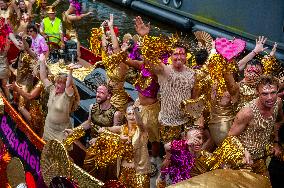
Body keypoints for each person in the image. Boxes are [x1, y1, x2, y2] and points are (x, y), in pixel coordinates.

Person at [134, 16, 198, 144]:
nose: (179, 56)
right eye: (175, 54)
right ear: (171, 56)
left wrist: (195, 120)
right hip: (167, 122)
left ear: (186, 57)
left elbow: (194, 99)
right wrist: (145, 37)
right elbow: (150, 59)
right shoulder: (164, 70)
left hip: (185, 122)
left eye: (182, 54)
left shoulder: (192, 74)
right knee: (169, 153)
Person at [63, 84, 122, 182]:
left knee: (100, 175)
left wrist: (99, 139)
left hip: (106, 149)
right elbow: (89, 123)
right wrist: (74, 131)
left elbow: (116, 136)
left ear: (109, 96)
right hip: (91, 145)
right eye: (97, 92)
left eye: (101, 93)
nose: (98, 95)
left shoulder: (116, 114)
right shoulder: (92, 107)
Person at [228, 75, 283, 177]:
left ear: (277, 90)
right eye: (265, 94)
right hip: (242, 160)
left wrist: (276, 142)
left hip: (260, 159)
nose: (270, 98)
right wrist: (243, 151)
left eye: (273, 93)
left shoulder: (278, 103)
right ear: (257, 92)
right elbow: (230, 136)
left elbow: (279, 121)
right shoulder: (247, 112)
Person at [40, 54, 80, 142]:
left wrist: (70, 71)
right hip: (48, 129)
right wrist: (42, 61)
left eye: (60, 83)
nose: (57, 85)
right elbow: (43, 78)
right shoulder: (52, 89)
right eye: (56, 82)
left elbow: (68, 84)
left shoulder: (67, 95)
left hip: (61, 133)